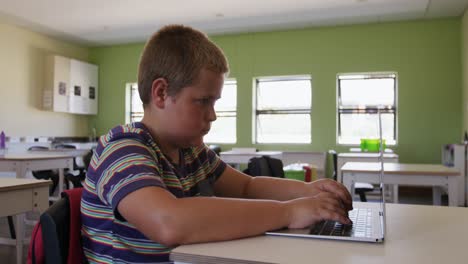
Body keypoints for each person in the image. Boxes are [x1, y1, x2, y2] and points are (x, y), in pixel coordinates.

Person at [81, 24, 353, 263]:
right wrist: (289, 212)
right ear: (162, 93)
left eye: (215, 102)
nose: (212, 115)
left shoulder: (191, 152)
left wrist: (307, 192)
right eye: (203, 101)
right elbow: (169, 222)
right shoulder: (122, 149)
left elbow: (247, 187)